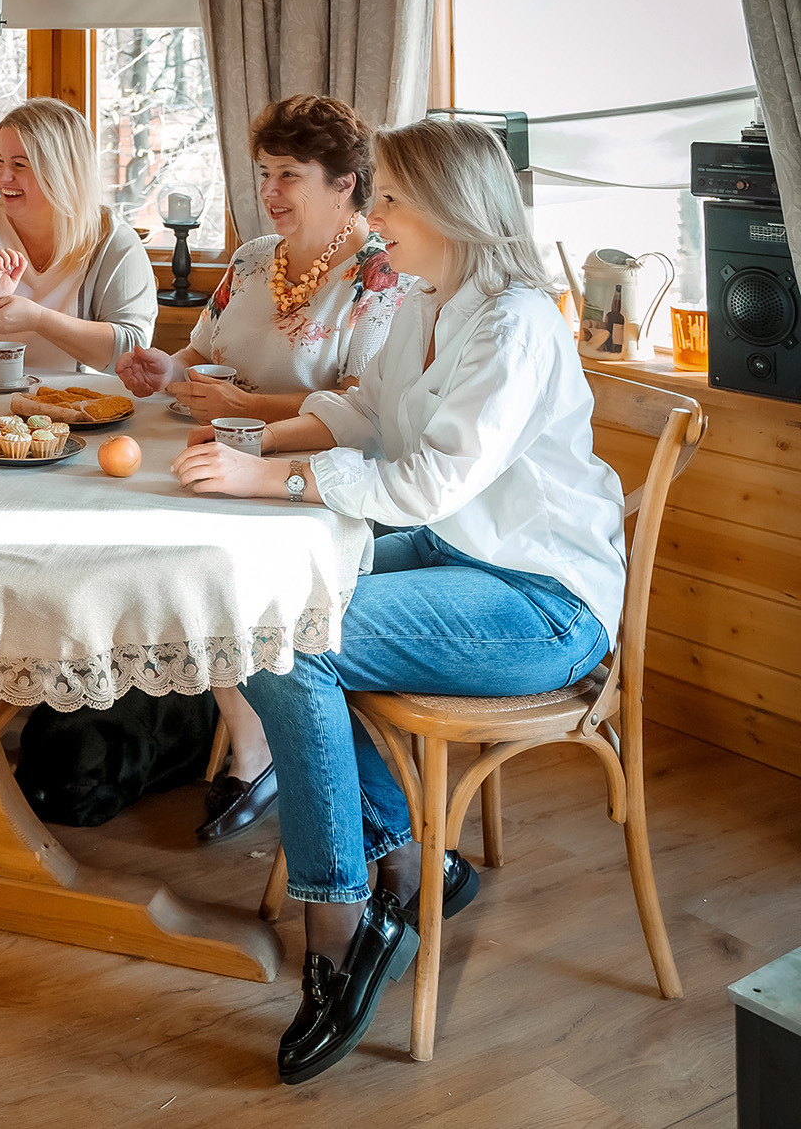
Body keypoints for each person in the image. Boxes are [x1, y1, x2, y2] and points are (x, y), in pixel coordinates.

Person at [170, 117, 623, 1083]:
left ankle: (340, 917)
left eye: (388, 201)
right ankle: (409, 862)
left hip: (543, 603)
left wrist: (273, 485)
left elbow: (422, 483)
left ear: (453, 210)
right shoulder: (425, 297)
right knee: (268, 613)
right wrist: (247, 451)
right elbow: (363, 411)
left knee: (295, 639)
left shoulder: (518, 322)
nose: (374, 219)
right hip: (467, 557)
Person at [116, 94, 413, 845]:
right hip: (229, 451)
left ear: (344, 180)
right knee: (163, 536)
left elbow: (363, 404)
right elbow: (199, 349)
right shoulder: (252, 260)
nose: (270, 193)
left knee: (216, 562)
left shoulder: (382, 271)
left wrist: (247, 400)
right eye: (263, 174)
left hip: (324, 477)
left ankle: (259, 747)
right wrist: (165, 366)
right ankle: (248, 731)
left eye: (289, 175)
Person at [0, 97, 157, 372]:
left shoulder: (113, 240)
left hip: (83, 408)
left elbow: (132, 349)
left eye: (19, 165)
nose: (3, 176)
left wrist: (38, 319)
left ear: (63, 172)